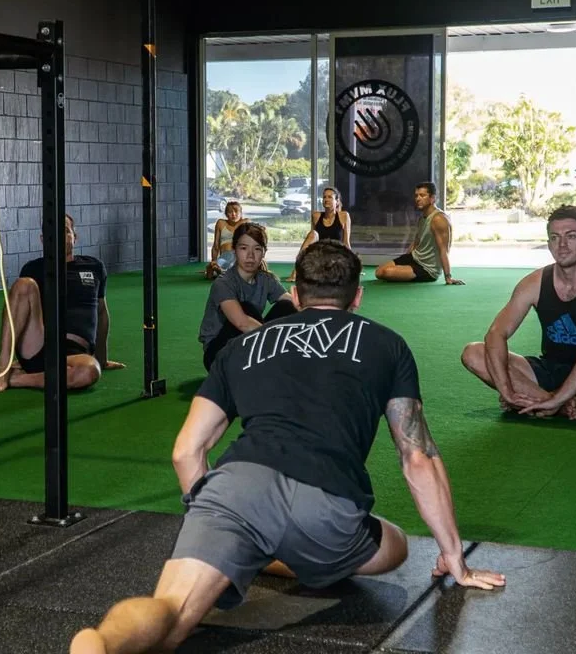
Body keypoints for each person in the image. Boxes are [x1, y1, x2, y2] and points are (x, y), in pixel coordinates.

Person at [69, 240, 505, 654]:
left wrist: (211, 521)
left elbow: (186, 451)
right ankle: (272, 549)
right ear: (357, 298)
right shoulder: (386, 344)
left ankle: (102, 641)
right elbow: (417, 457)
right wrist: (455, 558)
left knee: (169, 618)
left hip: (234, 489)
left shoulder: (241, 347)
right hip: (326, 505)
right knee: (395, 546)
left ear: (296, 294)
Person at [461, 205, 576, 420]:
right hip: (548, 370)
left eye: (571, 236)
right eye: (554, 238)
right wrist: (507, 390)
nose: (562, 245)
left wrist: (556, 397)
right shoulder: (534, 282)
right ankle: (557, 406)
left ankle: (554, 402)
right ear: (548, 243)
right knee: (473, 352)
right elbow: (496, 334)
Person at [0, 214, 124, 393]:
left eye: (65, 231)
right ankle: (3, 368)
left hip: (75, 353)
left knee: (90, 371)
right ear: (42, 240)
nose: (59, 237)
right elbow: (18, 309)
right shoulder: (34, 268)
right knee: (24, 285)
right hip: (39, 345)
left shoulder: (94, 266)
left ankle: (17, 379)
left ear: (74, 237)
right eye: (51, 233)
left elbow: (101, 314)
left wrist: (101, 359)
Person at [198, 222, 296, 371]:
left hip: (251, 344)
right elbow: (241, 322)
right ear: (234, 250)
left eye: (257, 249)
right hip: (218, 354)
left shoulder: (266, 279)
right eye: (244, 248)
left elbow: (297, 305)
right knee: (247, 309)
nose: (250, 255)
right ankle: (273, 362)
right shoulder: (223, 283)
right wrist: (277, 345)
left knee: (288, 306)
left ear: (264, 252)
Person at [375, 182, 464, 285]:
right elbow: (416, 241)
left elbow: (443, 250)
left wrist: (448, 277)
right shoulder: (422, 218)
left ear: (432, 198)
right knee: (379, 272)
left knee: (387, 272)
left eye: (422, 195)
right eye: (416, 195)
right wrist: (406, 258)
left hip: (427, 269)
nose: (418, 198)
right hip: (415, 257)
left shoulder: (439, 219)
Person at [286, 187, 352, 282]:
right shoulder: (316, 216)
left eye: (330, 197)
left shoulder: (344, 216)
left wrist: (352, 263)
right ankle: (296, 270)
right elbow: (311, 241)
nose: (326, 199)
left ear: (337, 201)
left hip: (335, 256)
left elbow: (346, 243)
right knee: (313, 233)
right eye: (324, 197)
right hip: (320, 255)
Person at [206, 201, 248, 280]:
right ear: (226, 214)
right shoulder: (221, 223)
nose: (233, 214)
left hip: (239, 255)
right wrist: (213, 261)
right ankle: (219, 270)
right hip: (225, 255)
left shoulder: (245, 223)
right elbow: (216, 245)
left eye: (236, 211)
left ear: (241, 213)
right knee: (217, 266)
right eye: (230, 212)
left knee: (234, 265)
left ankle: (223, 272)